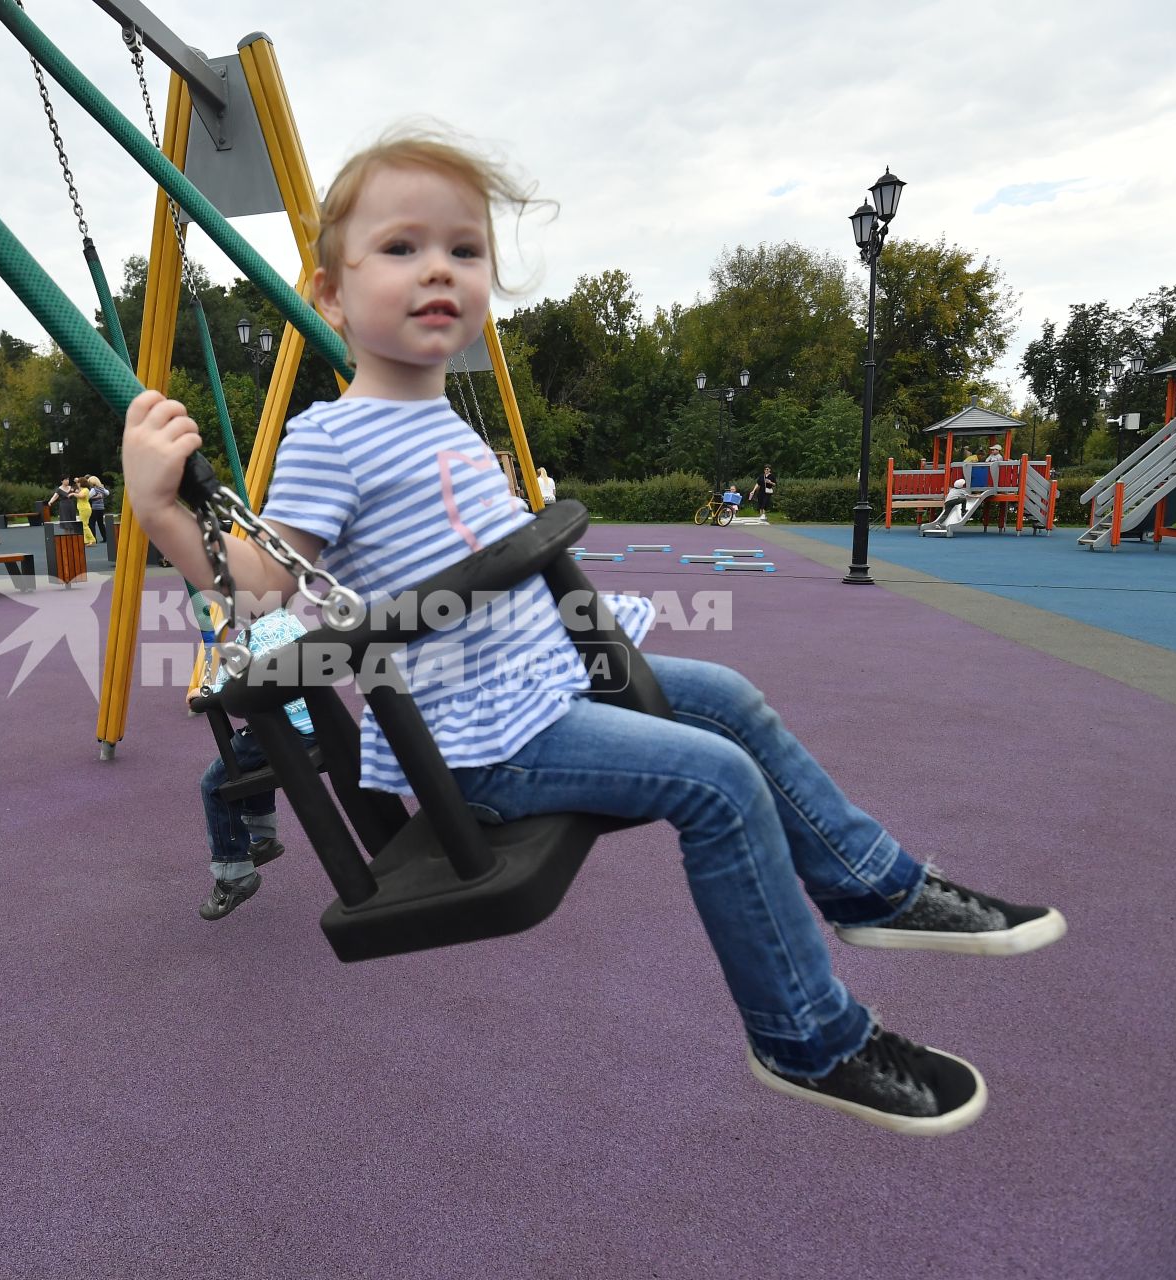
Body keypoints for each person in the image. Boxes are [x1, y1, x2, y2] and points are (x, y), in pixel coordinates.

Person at [124, 128, 1065, 1136]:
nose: (439, 267)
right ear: (330, 295)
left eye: (464, 249)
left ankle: (875, 886)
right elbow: (265, 588)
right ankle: (808, 1035)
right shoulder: (327, 437)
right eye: (400, 248)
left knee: (732, 697)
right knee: (720, 780)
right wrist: (165, 512)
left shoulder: (443, 417)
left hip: (552, 683)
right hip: (486, 743)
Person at [195, 607, 315, 921]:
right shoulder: (291, 621)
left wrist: (200, 695)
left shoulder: (249, 637)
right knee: (254, 763)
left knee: (215, 784)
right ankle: (262, 838)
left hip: (279, 730)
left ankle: (234, 875)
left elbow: (225, 694)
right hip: (314, 727)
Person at [86, 475, 112, 544]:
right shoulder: (102, 489)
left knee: (92, 523)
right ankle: (105, 537)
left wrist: (94, 497)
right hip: (101, 508)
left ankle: (94, 539)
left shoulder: (93, 489)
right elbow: (108, 493)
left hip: (94, 508)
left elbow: (87, 497)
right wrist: (101, 496)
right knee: (101, 523)